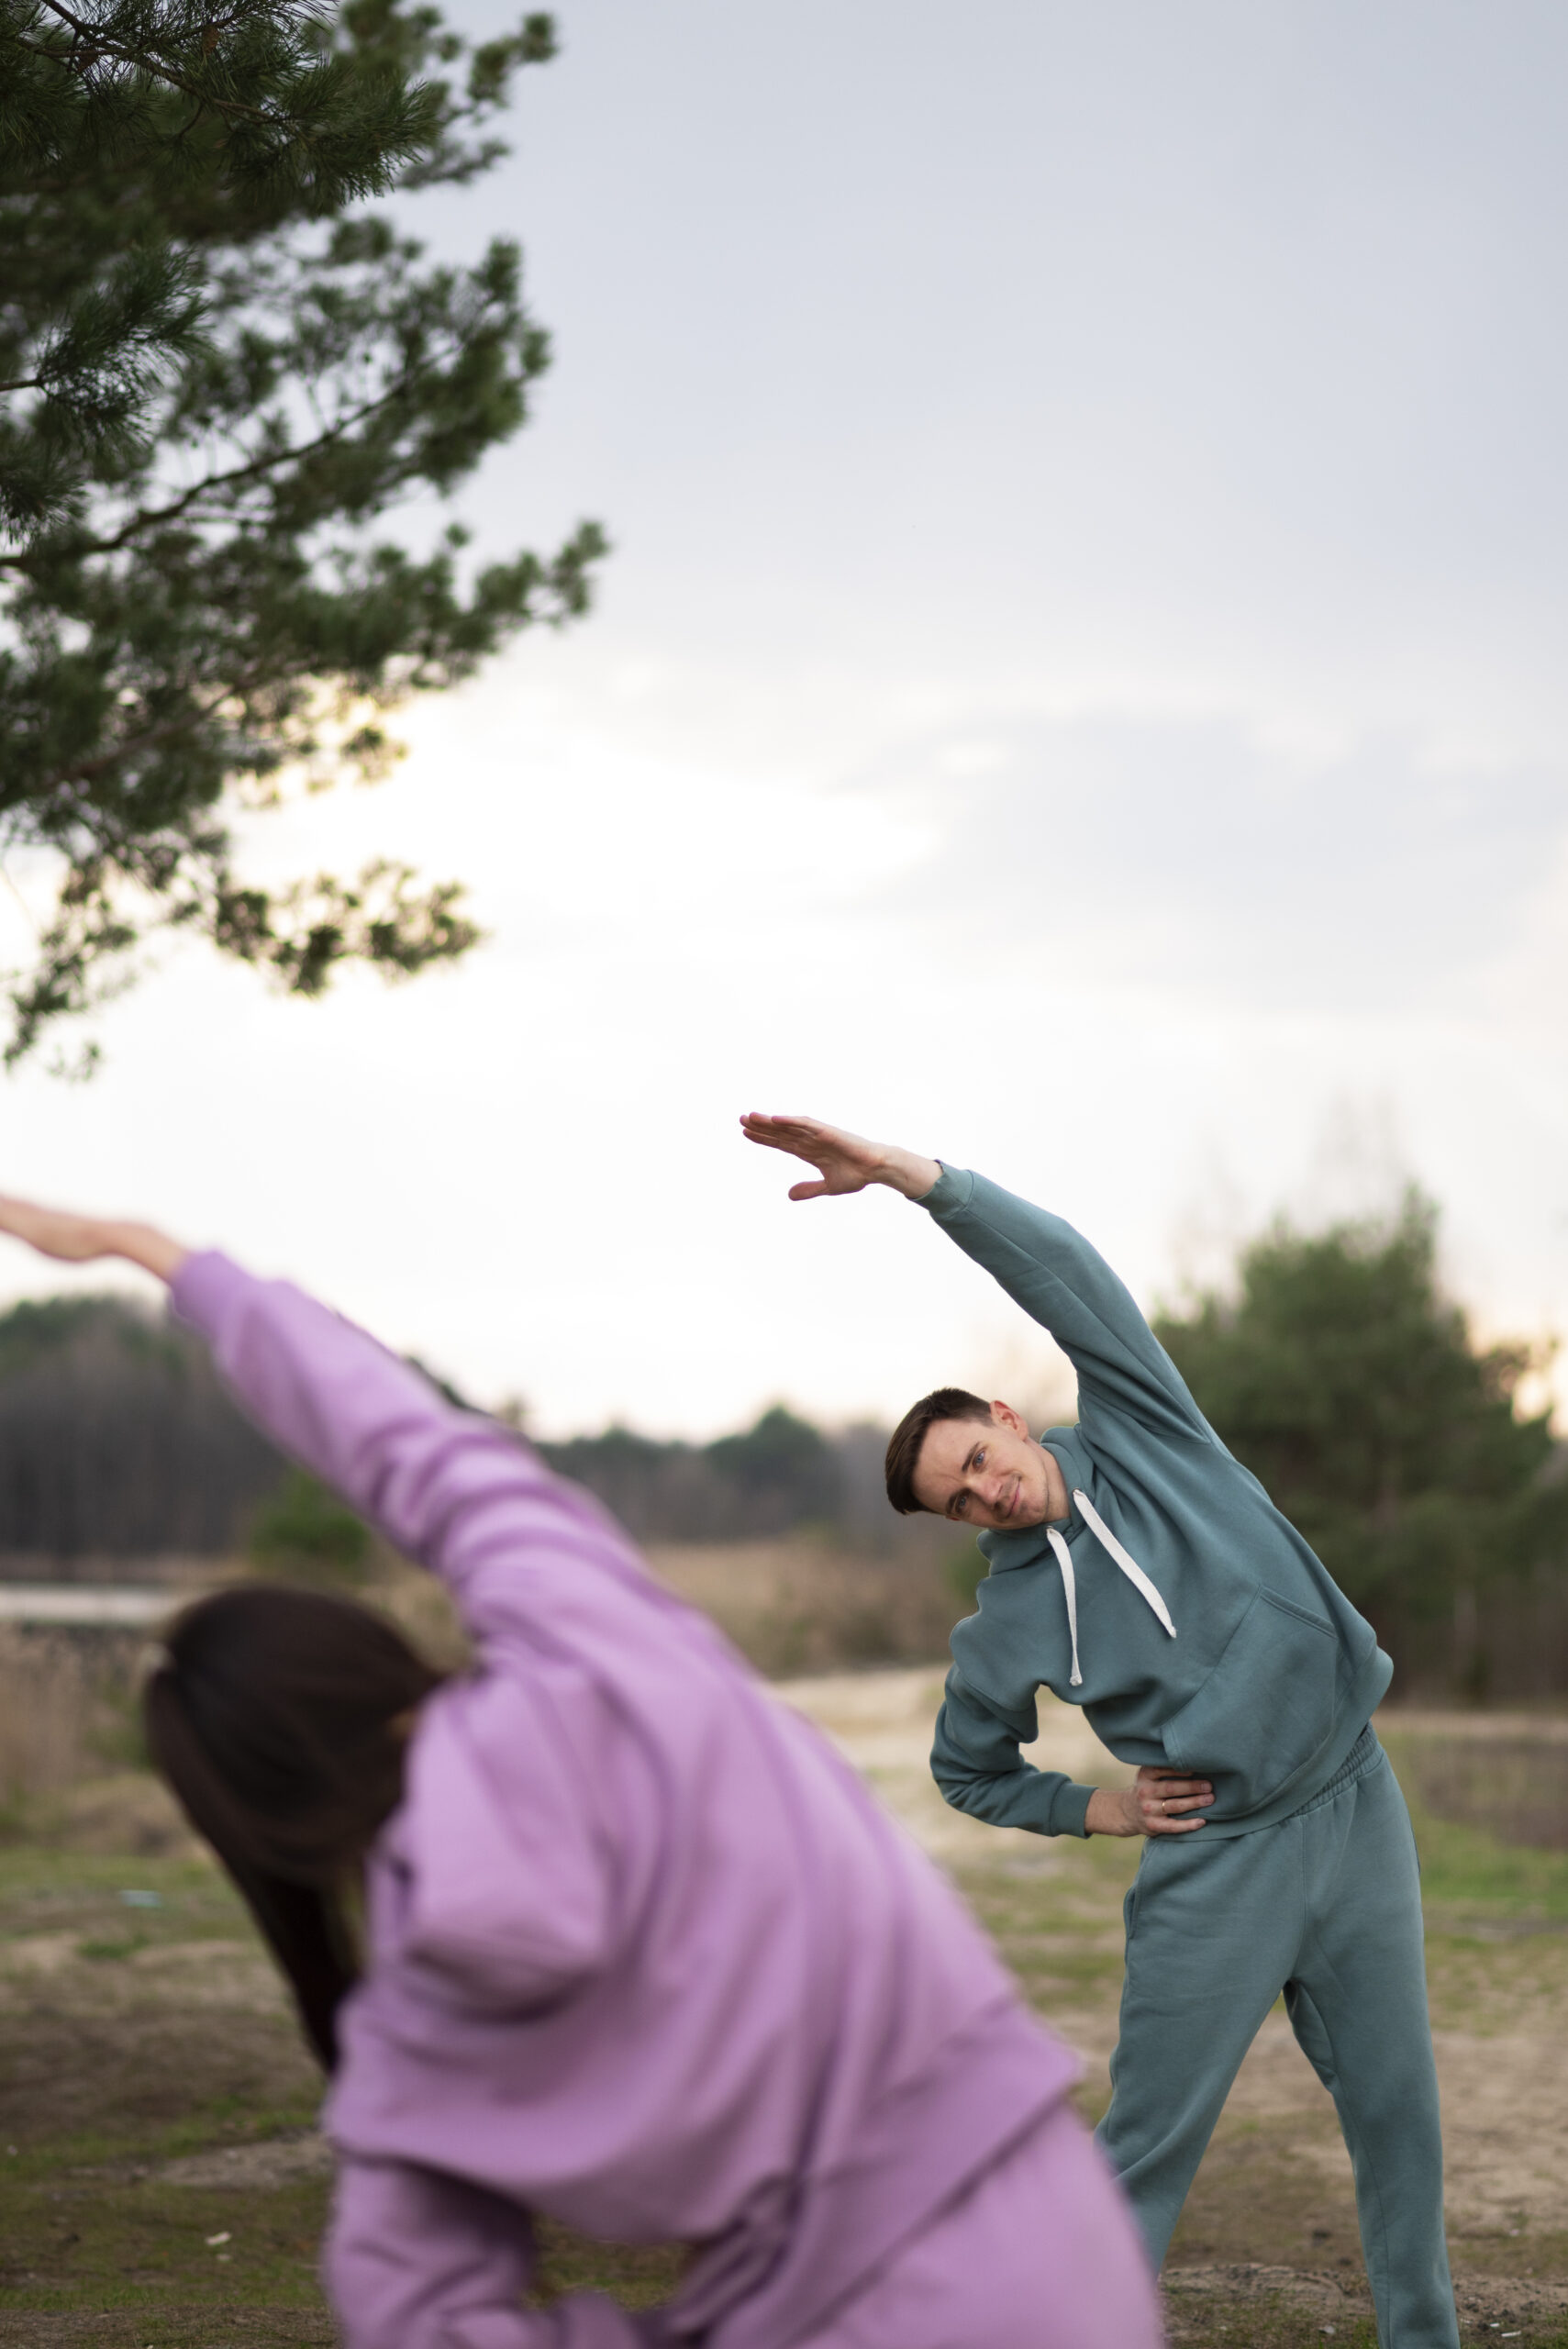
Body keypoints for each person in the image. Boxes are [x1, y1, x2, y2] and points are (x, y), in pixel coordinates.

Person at [0, 1187, 1161, 2349]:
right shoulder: (589, 1643)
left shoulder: (402, 2034)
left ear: (253, 1830)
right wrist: (159, 1258)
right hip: (1048, 2248)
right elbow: (409, 1444)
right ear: (365, 1655)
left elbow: (416, 2316)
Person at [740, 1113, 1461, 2349]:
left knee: (1400, 2115)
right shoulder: (1006, 1622)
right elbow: (967, 1768)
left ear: (1009, 1420)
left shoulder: (1148, 1433)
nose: (982, 1492)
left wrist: (918, 1182)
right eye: (955, 1500)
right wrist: (1101, 1807)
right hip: (1218, 1861)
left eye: (975, 1457)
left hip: (1354, 1800)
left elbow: (1064, 1269)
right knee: (1145, 2151)